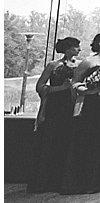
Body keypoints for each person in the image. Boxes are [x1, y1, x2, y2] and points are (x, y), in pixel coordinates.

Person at [60, 32, 100, 194]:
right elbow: (75, 84)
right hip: (91, 105)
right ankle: (86, 181)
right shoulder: (88, 61)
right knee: (90, 140)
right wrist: (89, 91)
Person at [27, 37, 80, 193]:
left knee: (67, 140)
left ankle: (62, 181)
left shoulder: (79, 65)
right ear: (68, 48)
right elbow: (40, 86)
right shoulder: (52, 65)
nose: (79, 50)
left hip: (71, 106)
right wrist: (61, 88)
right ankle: (44, 181)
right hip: (54, 107)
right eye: (76, 47)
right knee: (50, 139)